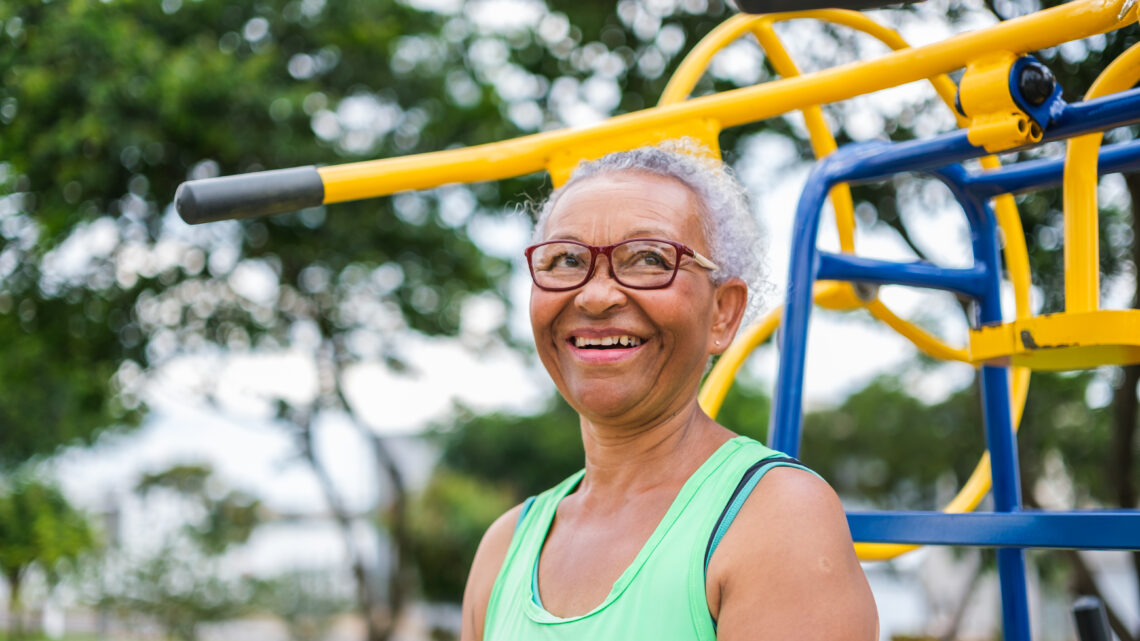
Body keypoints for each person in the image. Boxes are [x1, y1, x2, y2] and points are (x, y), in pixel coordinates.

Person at [460, 141, 878, 641]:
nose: (595, 296)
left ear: (722, 313)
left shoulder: (776, 519)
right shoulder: (505, 547)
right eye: (566, 260)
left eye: (649, 259)